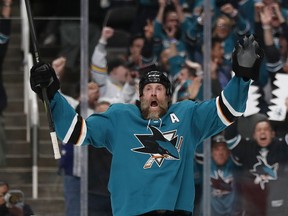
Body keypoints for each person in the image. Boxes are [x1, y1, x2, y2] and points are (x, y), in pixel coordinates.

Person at [29, 35, 263, 215]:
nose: (153, 93)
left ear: (168, 96)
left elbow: (228, 109)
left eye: (159, 89)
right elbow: (75, 131)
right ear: (140, 96)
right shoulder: (120, 117)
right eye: (148, 89)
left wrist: (242, 77)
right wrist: (52, 93)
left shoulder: (187, 115)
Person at [225, 117, 288, 216]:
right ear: (254, 135)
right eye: (259, 130)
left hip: (279, 208)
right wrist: (235, 109)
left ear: (272, 134)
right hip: (253, 209)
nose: (262, 132)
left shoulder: (282, 147)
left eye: (266, 129)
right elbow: (230, 137)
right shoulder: (247, 149)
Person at [195, 134, 243, 216]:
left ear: (228, 152)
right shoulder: (205, 165)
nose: (220, 153)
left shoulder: (234, 165)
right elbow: (199, 145)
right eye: (216, 149)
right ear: (211, 152)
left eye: (224, 149)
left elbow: (236, 144)